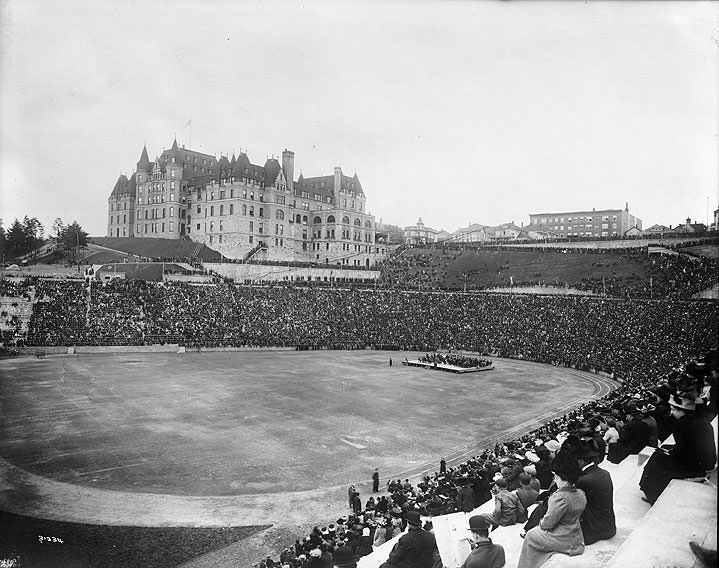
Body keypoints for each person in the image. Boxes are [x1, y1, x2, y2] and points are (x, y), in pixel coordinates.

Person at [640, 395, 718, 504]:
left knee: (658, 458)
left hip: (695, 466)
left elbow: (681, 451)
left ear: (683, 411)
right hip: (703, 461)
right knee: (662, 451)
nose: (672, 413)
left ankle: (653, 495)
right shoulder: (698, 420)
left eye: (674, 410)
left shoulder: (685, 425)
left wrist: (670, 452)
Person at [517, 454, 586, 568]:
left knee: (531, 535)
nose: (555, 480)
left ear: (561, 479)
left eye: (556, 477)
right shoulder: (580, 493)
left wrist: (540, 524)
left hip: (563, 538)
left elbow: (548, 523)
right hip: (575, 534)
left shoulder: (559, 497)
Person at [575, 439, 616, 545]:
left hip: (594, 529)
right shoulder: (604, 473)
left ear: (581, 461)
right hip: (608, 525)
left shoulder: (583, 480)